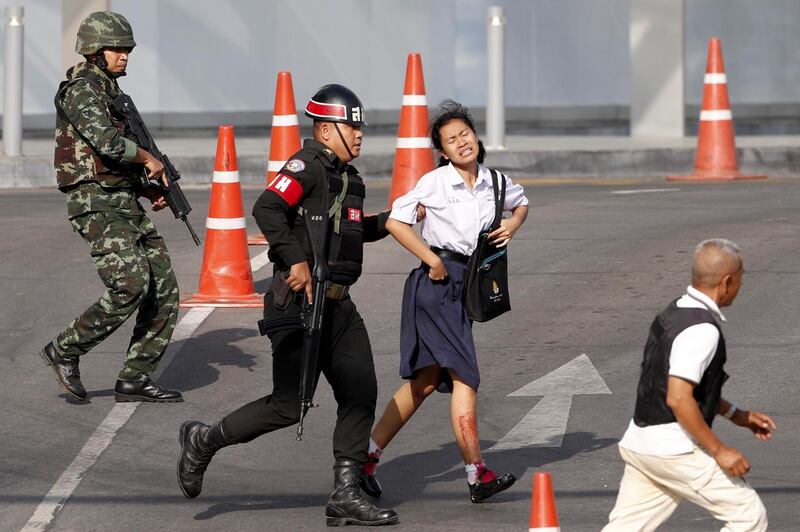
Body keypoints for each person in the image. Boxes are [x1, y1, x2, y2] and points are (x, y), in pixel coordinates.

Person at [176, 84, 399, 527]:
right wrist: (295, 259)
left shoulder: (350, 178)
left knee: (361, 393)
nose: (359, 135)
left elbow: (355, 231)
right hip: (297, 302)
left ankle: (345, 493)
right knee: (289, 405)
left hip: (339, 305)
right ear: (325, 129)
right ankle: (204, 440)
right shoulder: (305, 165)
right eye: (351, 127)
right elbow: (268, 207)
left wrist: (398, 219)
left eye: (360, 127)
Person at [359, 101, 529, 503]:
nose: (461, 142)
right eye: (451, 140)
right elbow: (396, 221)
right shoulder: (435, 183)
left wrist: (513, 224)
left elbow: (522, 203)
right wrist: (431, 258)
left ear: (476, 136)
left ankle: (365, 459)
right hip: (435, 286)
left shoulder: (495, 182)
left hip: (465, 285)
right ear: (443, 151)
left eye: (465, 134)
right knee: (465, 376)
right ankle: (477, 473)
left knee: (426, 381)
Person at [40, 11, 182, 403]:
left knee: (164, 290)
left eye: (127, 49)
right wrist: (147, 160)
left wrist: (145, 187)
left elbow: (113, 159)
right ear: (94, 50)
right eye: (116, 48)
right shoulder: (82, 89)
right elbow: (106, 143)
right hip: (95, 202)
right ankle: (65, 349)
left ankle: (136, 376)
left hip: (120, 199)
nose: (124, 55)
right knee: (131, 284)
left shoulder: (112, 93)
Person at [602, 239, 776, 531]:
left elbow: (684, 387)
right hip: (673, 450)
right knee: (749, 515)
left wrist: (738, 415)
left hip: (642, 444)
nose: (740, 287)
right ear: (727, 281)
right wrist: (719, 450)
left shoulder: (675, 312)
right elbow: (679, 398)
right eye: (741, 279)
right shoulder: (702, 330)